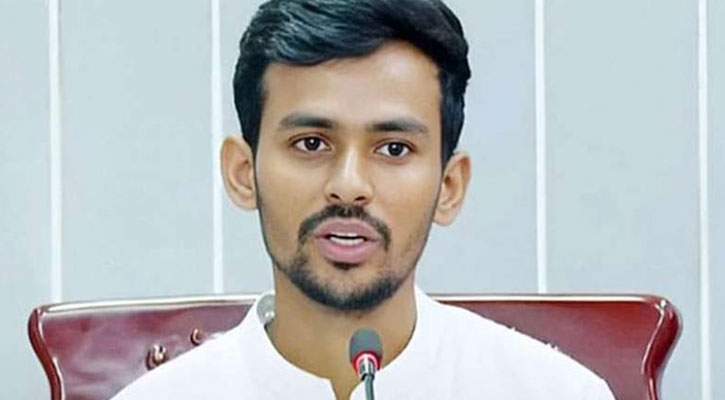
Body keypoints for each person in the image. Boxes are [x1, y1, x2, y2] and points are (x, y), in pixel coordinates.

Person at [112, 0, 615, 399]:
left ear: (449, 187)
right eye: (312, 143)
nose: (349, 185)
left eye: (393, 149)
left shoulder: (554, 392)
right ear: (243, 174)